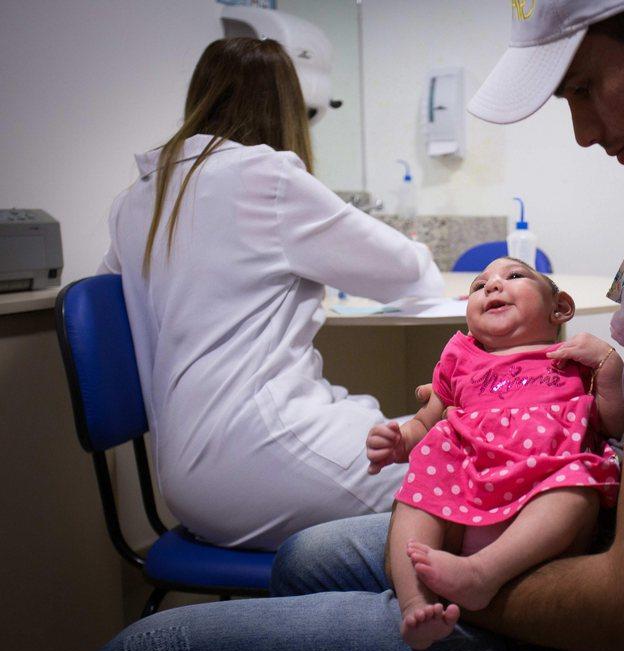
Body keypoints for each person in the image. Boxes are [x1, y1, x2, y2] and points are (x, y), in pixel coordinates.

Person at [86, 1, 624, 651]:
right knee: (304, 556)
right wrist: (621, 389)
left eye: (585, 88)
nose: (584, 132)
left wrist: (455, 589)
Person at [96, 37, 443, 550]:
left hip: (183, 482)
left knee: (400, 431)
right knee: (472, 468)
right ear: (287, 107)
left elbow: (112, 302)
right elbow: (409, 272)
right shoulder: (266, 175)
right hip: (260, 457)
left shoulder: (135, 199)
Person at [368, 257, 623, 649]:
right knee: (417, 493)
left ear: (560, 308)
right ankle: (415, 603)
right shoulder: (459, 359)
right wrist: (400, 441)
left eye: (515, 276)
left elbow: (612, 423)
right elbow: (425, 422)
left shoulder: (575, 359)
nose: (492, 286)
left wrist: (608, 367)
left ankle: (482, 574)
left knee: (577, 487)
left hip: (542, 492)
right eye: (478, 285)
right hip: (466, 483)